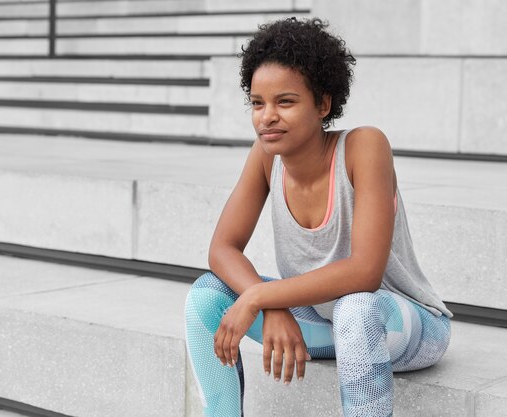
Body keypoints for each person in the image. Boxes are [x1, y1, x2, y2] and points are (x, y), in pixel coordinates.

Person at [184, 17, 452, 417]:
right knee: (205, 296)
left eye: (285, 102)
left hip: (400, 323)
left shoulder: (364, 147)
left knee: (356, 308)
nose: (266, 117)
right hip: (323, 321)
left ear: (323, 104)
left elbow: (364, 273)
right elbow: (222, 249)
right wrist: (271, 306)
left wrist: (259, 296)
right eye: (258, 103)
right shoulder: (265, 158)